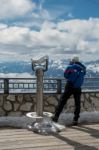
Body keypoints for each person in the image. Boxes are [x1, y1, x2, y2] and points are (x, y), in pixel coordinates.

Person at [52, 56, 86, 125]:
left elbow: (65, 75)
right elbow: (83, 75)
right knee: (77, 104)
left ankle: (56, 116)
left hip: (70, 86)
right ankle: (75, 120)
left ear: (72, 61)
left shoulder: (70, 67)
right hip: (78, 87)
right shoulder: (83, 68)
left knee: (63, 101)